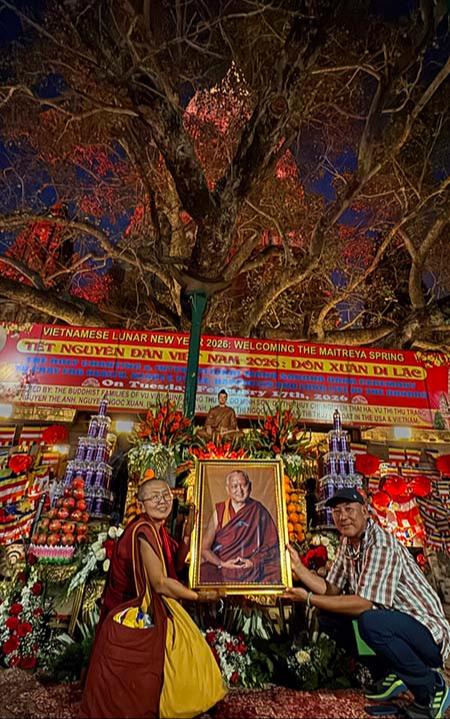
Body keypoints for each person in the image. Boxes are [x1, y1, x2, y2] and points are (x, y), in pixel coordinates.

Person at [283, 487, 450, 719]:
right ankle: (388, 674)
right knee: (328, 616)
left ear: (365, 511)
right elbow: (331, 590)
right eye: (337, 511)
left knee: (369, 621)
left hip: (427, 632)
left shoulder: (380, 543)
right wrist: (299, 568)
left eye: (349, 509)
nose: (343, 516)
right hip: (393, 625)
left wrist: (308, 598)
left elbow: (363, 604)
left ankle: (431, 686)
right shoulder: (348, 543)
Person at [81, 477, 226, 719]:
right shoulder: (143, 531)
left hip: (145, 604)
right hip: (132, 609)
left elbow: (174, 564)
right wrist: (198, 596)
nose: (162, 501)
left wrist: (187, 536)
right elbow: (159, 582)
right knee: (181, 650)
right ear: (141, 505)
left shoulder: (158, 530)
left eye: (166, 496)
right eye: (155, 497)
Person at [201, 469, 281, 584]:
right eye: (234, 486)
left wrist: (253, 561)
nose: (239, 490)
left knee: (276, 574)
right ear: (228, 490)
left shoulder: (258, 510)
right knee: (203, 574)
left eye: (243, 485)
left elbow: (272, 544)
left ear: (250, 486)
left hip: (251, 567)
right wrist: (222, 563)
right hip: (224, 567)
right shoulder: (220, 511)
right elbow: (204, 548)